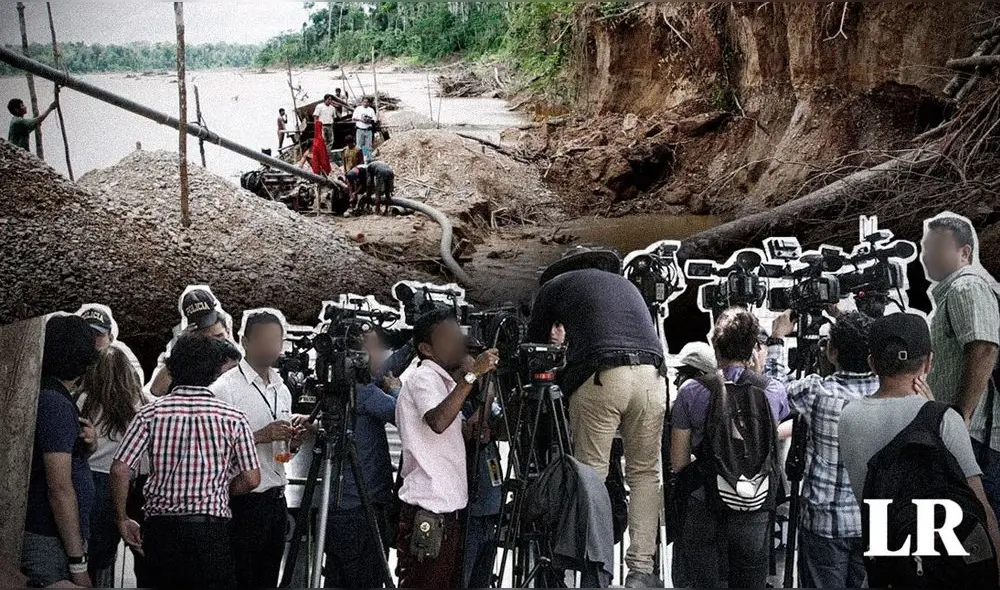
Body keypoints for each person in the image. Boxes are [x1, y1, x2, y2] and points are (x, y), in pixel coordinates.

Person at [526, 256, 666, 588]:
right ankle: (641, 569)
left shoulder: (555, 286)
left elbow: (533, 348)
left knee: (591, 475)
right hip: (652, 376)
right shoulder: (626, 286)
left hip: (604, 376)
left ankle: (595, 568)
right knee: (645, 473)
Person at [839, 312, 1000, 583]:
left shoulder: (848, 416)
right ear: (928, 363)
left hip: (885, 567)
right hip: (942, 569)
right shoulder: (944, 419)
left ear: (872, 363)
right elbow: (979, 505)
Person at [110, 332, 261, 589]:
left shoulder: (150, 413)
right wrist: (222, 490)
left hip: (161, 531)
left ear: (172, 368)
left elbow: (120, 469)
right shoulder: (234, 418)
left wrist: (122, 518)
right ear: (215, 372)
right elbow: (251, 478)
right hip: (210, 533)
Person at [670, 308, 790, 589]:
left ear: (715, 345)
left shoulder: (691, 391)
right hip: (754, 503)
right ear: (752, 347)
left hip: (705, 500)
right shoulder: (773, 390)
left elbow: (678, 461)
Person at [764, 311, 879, 588]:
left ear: (832, 352)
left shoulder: (816, 391)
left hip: (825, 520)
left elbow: (772, 395)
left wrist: (777, 340)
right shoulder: (887, 390)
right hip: (874, 521)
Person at [395, 309, 499, 588]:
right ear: (425, 349)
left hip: (448, 514)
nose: (456, 343)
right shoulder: (423, 378)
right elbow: (439, 421)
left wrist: (486, 396)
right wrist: (473, 374)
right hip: (427, 513)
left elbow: (464, 433)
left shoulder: (446, 384)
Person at [210, 310, 302, 588]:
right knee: (239, 579)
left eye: (276, 340)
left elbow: (280, 457)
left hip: (275, 501)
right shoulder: (224, 389)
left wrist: (292, 446)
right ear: (244, 341)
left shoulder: (281, 388)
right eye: (263, 339)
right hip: (241, 502)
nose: (271, 347)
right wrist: (260, 436)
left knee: (268, 580)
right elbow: (213, 449)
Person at [923, 214, 1000, 517]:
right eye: (926, 247)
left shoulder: (965, 288)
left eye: (936, 247)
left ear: (964, 252)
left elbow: (984, 347)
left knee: (979, 529)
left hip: (977, 439)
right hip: (971, 436)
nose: (927, 255)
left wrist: (961, 416)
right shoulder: (956, 291)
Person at [22, 315, 98, 589]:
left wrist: (86, 450)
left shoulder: (52, 397)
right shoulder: (54, 403)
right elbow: (59, 487)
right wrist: (78, 563)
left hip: (51, 537)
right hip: (48, 539)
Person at [324, 330, 401, 589]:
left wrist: (411, 347)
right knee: (366, 579)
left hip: (338, 506)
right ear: (357, 358)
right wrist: (397, 391)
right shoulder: (365, 394)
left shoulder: (343, 389)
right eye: (374, 350)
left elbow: (384, 369)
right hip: (364, 508)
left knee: (338, 578)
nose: (379, 356)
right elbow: (406, 418)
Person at [76, 346, 151, 587]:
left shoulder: (84, 400)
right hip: (127, 480)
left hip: (90, 477)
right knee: (112, 545)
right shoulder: (139, 403)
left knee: (91, 547)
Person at [147, 286, 232, 397]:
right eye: (205, 338)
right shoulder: (189, 358)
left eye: (218, 336)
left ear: (228, 330)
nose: (213, 343)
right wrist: (181, 349)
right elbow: (157, 390)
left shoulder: (235, 357)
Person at [76, 303, 145, 384]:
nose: (92, 339)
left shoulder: (122, 366)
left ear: (110, 338)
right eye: (87, 334)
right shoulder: (69, 364)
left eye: (98, 335)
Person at [352, 96, 377, 161]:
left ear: (369, 103)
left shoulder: (371, 110)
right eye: (364, 102)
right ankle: (359, 160)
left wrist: (369, 120)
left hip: (368, 130)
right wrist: (361, 120)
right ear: (362, 102)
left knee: (367, 146)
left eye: (367, 102)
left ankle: (367, 160)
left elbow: (374, 119)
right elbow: (353, 118)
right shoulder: (358, 109)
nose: (365, 103)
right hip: (360, 130)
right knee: (359, 146)